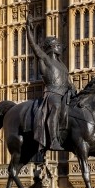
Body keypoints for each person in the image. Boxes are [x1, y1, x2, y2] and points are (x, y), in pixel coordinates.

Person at [26, 14, 75, 151]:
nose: (60, 47)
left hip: (65, 93)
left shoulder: (62, 65)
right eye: (58, 45)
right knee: (56, 106)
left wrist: (72, 88)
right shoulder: (46, 59)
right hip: (52, 94)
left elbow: (68, 81)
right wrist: (28, 29)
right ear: (52, 47)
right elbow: (34, 46)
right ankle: (53, 140)